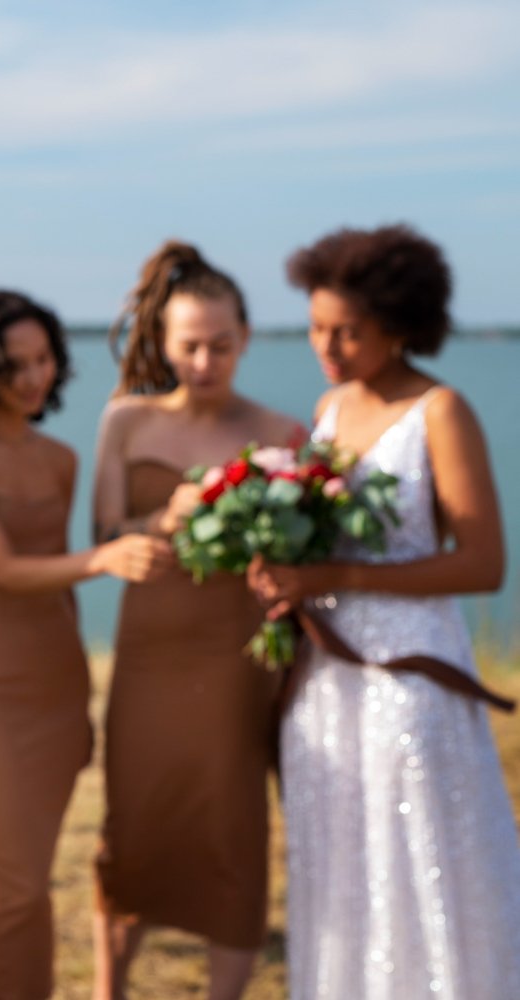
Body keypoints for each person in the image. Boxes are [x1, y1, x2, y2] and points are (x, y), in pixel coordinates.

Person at [249, 224, 520, 999]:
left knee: (422, 852)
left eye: (349, 331)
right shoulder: (331, 408)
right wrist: (283, 574)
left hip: (411, 675)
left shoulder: (442, 411)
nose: (327, 347)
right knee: (344, 860)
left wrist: (336, 575)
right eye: (316, 327)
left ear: (401, 326)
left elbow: (484, 563)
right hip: (327, 680)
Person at [0, 289, 172, 1000]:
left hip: (58, 688)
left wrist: (169, 516)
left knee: (25, 883)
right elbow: (4, 571)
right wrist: (106, 557)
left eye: (44, 360)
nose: (34, 378)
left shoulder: (61, 459)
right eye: (14, 364)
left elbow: (57, 582)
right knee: (21, 884)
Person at [90, 241, 302, 1000]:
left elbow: (301, 564)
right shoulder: (124, 421)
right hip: (147, 655)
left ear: (245, 339)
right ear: (165, 343)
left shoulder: (283, 433)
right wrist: (161, 516)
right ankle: (107, 988)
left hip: (236, 658)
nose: (205, 361)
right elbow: (105, 540)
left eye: (220, 345)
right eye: (189, 346)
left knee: (233, 830)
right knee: (133, 826)